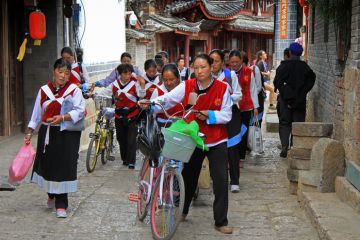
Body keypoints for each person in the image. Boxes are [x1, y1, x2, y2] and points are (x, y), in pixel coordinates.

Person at [140, 53, 233, 234]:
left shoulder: (223, 87)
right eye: (196, 68)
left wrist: (209, 115)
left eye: (203, 67)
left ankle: (221, 221)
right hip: (193, 137)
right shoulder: (187, 85)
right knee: (189, 177)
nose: (199, 71)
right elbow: (168, 99)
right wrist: (150, 103)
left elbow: (227, 115)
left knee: (221, 180)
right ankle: (182, 211)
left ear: (211, 67)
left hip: (217, 140)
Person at [24, 58, 86, 218]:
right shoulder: (44, 90)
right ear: (54, 71)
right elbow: (36, 114)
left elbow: (80, 110)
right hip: (48, 133)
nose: (63, 76)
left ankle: (61, 204)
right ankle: (51, 193)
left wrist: (64, 117)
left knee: (64, 166)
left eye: (67, 73)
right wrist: (30, 132)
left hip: (67, 134)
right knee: (49, 165)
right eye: (60, 72)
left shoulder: (74, 90)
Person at [98, 64, 146, 169]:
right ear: (119, 74)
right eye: (125, 73)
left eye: (129, 73)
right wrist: (93, 93)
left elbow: (141, 95)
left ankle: (131, 161)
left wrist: (142, 85)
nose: (128, 76)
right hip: (119, 115)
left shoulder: (134, 84)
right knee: (121, 138)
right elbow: (104, 92)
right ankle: (125, 159)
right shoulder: (114, 84)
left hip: (132, 114)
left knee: (131, 139)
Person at [274, 43, 316, 158]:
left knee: (285, 123)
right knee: (297, 124)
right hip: (300, 100)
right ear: (300, 53)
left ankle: (284, 146)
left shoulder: (283, 66)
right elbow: (312, 78)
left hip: (285, 100)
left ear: (290, 53)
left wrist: (285, 93)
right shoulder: (305, 67)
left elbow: (277, 82)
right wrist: (304, 91)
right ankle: (294, 146)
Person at [209, 49, 243, 193]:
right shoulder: (206, 77)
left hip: (230, 116)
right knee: (215, 149)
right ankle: (216, 178)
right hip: (212, 117)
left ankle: (234, 180)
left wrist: (225, 98)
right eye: (211, 61)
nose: (213, 64)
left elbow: (238, 94)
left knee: (232, 149)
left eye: (216, 61)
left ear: (223, 62)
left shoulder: (230, 75)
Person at [229, 50, 259, 173]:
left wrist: (255, 107)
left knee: (243, 132)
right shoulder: (227, 73)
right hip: (231, 108)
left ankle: (241, 157)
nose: (235, 64)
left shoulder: (248, 72)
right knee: (232, 133)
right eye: (232, 62)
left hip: (246, 107)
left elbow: (253, 89)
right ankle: (231, 158)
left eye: (237, 61)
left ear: (241, 60)